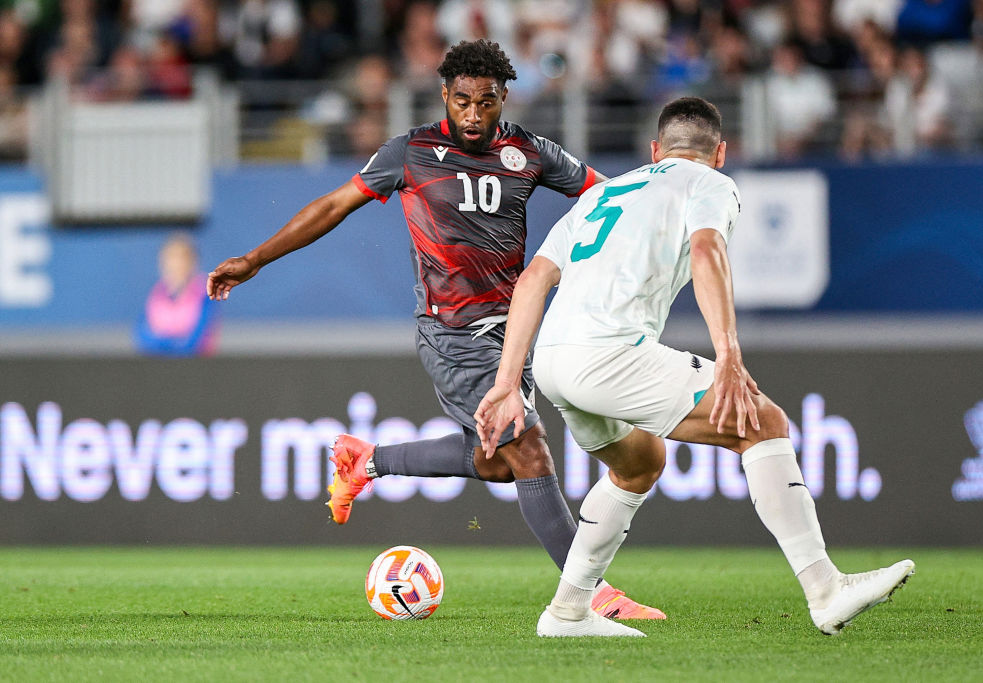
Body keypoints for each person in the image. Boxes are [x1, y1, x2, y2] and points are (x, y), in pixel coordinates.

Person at [206, 39, 663, 620]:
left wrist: (664, 200)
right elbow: (331, 206)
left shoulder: (529, 152)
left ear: (504, 99)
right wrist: (255, 259)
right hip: (453, 332)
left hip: (513, 335)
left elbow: (607, 194)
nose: (474, 115)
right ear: (445, 94)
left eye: (487, 103)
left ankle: (367, 460)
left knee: (498, 460)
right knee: (528, 448)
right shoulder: (412, 152)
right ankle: (592, 597)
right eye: (464, 100)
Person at [474, 96, 915, 638]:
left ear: (654, 150)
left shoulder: (601, 193)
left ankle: (566, 613)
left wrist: (505, 384)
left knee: (638, 464)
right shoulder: (709, 183)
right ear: (721, 152)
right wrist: (728, 353)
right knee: (764, 424)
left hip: (554, 362)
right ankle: (826, 590)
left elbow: (533, 281)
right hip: (609, 352)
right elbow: (707, 251)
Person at [137, 233, 219, 356]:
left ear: (193, 262)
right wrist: (166, 344)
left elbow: (194, 342)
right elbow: (143, 336)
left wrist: (169, 343)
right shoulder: (156, 295)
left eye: (182, 258)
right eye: (171, 258)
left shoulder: (205, 296)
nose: (176, 265)